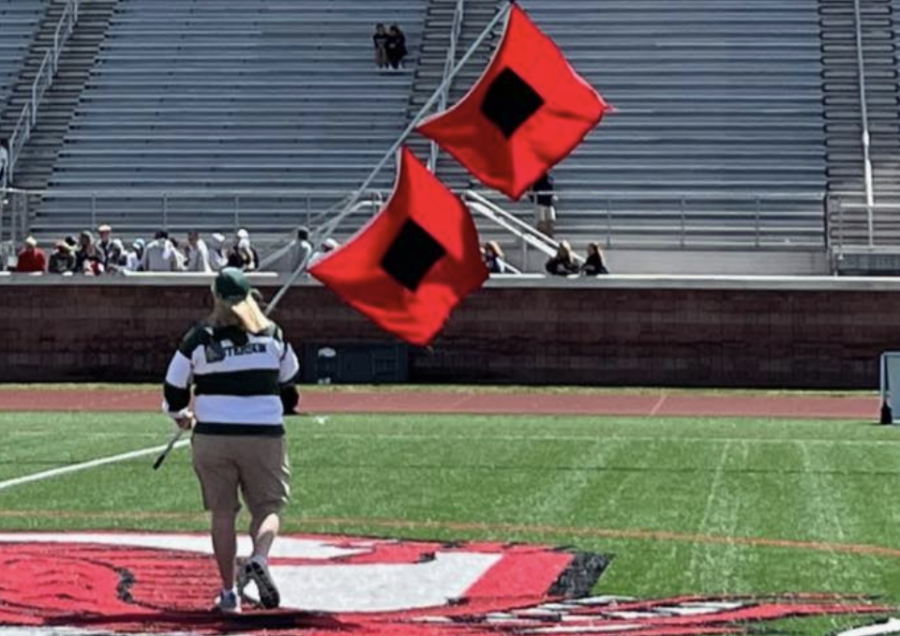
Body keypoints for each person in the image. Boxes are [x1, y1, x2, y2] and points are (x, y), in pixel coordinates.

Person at [162, 268, 299, 614]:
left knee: (222, 514)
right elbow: (290, 378)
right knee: (268, 508)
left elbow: (173, 385)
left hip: (213, 436)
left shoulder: (198, 338)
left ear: (216, 297)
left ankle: (228, 594)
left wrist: (179, 413)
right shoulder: (273, 334)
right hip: (263, 435)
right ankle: (260, 558)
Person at [528, 172, 557, 238]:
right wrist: (533, 199)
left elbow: (551, 189)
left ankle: (550, 240)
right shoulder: (535, 178)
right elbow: (530, 189)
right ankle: (540, 241)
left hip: (549, 204)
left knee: (551, 222)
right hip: (540, 203)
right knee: (541, 224)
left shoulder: (549, 178)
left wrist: (553, 196)